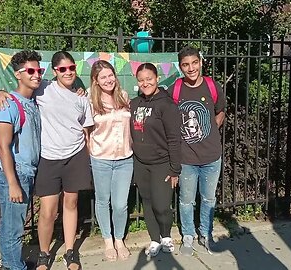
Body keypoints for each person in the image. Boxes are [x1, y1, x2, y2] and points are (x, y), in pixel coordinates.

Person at [0, 51, 93, 270]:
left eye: (71, 68)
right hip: (48, 158)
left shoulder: (81, 96)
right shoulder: (42, 88)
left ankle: (70, 251)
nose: (68, 72)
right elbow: (16, 93)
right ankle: (43, 253)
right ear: (55, 71)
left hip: (75, 155)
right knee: (47, 210)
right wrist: (0, 92)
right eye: (62, 69)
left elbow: (87, 131)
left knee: (71, 203)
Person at [167, 46, 226, 256]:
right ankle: (188, 236)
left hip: (211, 157)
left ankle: (206, 234)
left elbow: (220, 112)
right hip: (186, 158)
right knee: (186, 200)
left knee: (209, 199)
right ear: (180, 67)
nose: (191, 68)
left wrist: (209, 130)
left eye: (194, 63)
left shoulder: (212, 86)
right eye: (185, 64)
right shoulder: (176, 89)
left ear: (200, 62)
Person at [0, 50, 42, 270]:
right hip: (15, 172)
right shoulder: (9, 105)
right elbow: (3, 147)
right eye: (30, 71)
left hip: (27, 171)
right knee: (12, 227)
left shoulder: (31, 101)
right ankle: (14, 267)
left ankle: (11, 263)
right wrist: (12, 183)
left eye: (39, 70)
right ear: (18, 74)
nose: (36, 75)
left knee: (13, 224)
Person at [130, 63, 182, 257]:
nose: (145, 83)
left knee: (161, 205)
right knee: (148, 202)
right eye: (141, 80)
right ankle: (154, 238)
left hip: (162, 163)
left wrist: (175, 169)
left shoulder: (166, 105)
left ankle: (166, 235)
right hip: (141, 163)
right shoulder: (135, 104)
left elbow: (174, 139)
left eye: (149, 79)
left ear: (157, 78)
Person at [86, 60, 133, 262]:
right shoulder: (89, 100)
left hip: (125, 158)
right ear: (95, 81)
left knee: (121, 204)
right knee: (103, 200)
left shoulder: (123, 96)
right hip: (101, 158)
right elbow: (85, 130)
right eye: (103, 77)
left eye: (110, 75)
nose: (108, 80)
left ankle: (119, 239)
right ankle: (107, 239)